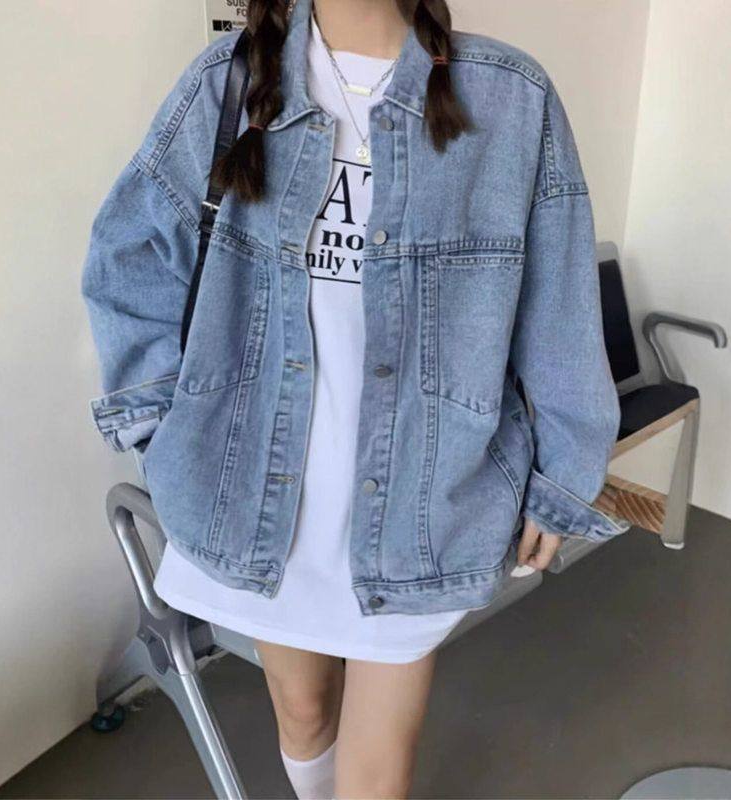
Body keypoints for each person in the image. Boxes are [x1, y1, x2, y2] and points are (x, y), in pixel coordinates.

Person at [81, 0, 629, 797]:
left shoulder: (510, 96)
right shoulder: (230, 83)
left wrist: (565, 469)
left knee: (378, 774)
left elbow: (560, 302)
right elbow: (128, 256)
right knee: (304, 714)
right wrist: (159, 424)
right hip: (255, 491)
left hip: (422, 500)